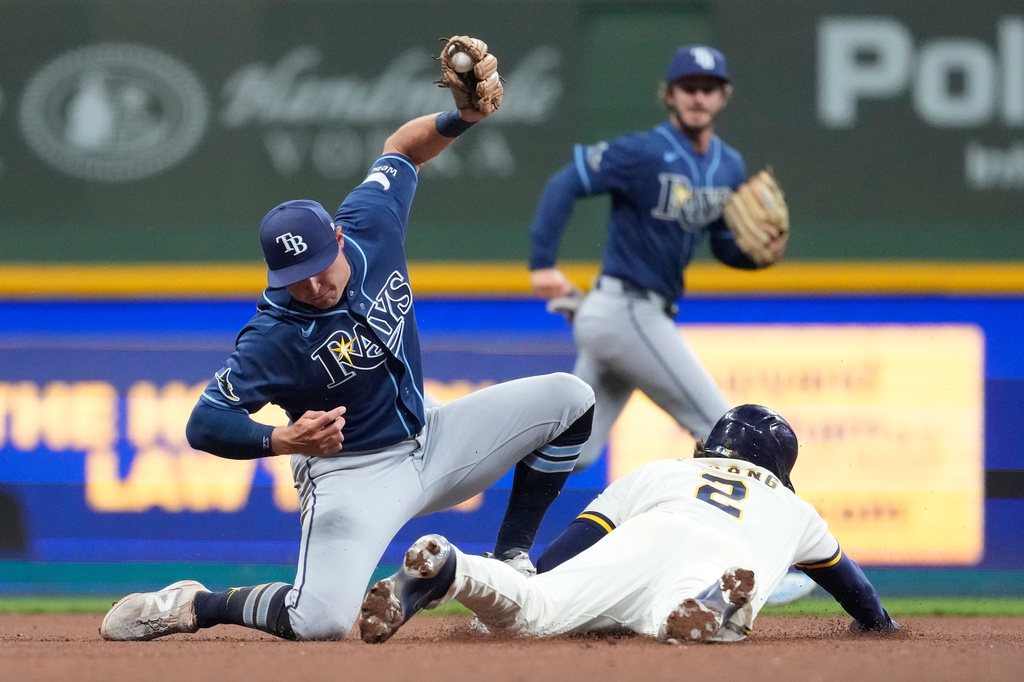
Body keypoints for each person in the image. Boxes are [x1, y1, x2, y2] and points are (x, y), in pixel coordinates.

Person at [99, 36, 595, 642]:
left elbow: (402, 151)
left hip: (432, 437)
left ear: (337, 238)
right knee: (321, 620)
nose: (309, 285)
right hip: (353, 472)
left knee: (570, 398)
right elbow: (204, 422)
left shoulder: (370, 223)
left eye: (315, 265)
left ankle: (513, 557)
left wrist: (460, 118)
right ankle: (197, 605)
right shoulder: (274, 335)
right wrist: (279, 439)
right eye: (292, 277)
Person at [358, 405, 900, 644]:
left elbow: (567, 551)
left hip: (653, 529)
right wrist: (877, 624)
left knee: (537, 611)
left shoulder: (666, 470)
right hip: (724, 559)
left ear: (710, 447)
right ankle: (711, 607)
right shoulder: (795, 509)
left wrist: (544, 580)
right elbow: (853, 586)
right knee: (677, 614)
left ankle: (453, 569)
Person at [528, 44, 788, 473]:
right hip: (626, 310)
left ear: (724, 96)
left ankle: (492, 442)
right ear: (668, 94)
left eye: (709, 88)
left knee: (576, 451)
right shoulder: (644, 152)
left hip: (628, 317)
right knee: (726, 429)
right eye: (688, 88)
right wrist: (541, 262)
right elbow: (567, 180)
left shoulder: (729, 165)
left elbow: (724, 244)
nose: (698, 97)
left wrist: (757, 256)